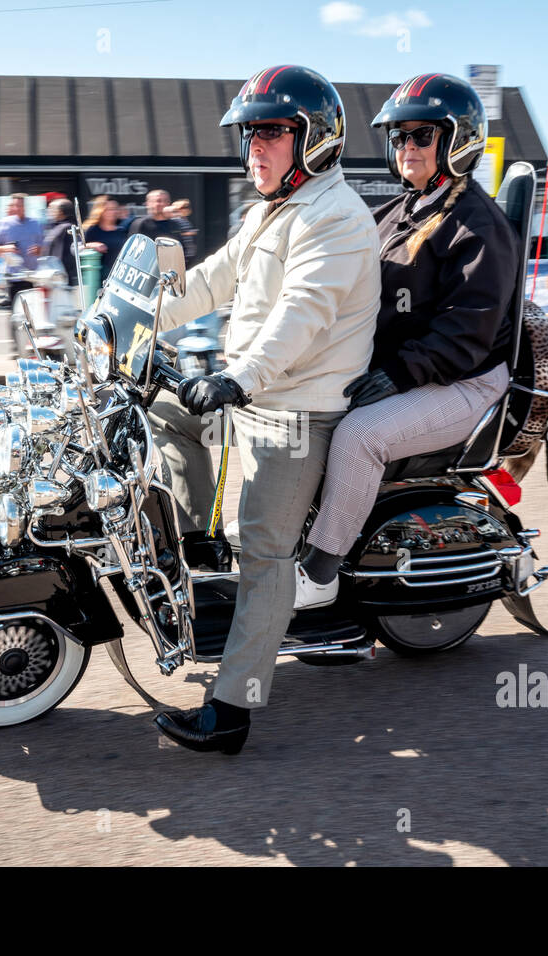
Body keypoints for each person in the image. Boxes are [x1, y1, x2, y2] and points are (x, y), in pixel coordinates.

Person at [149, 65, 380, 755]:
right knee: (163, 413)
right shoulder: (268, 212)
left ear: (317, 139)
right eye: (250, 133)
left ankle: (234, 708)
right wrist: (127, 313)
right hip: (256, 394)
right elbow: (209, 281)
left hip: (297, 411)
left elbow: (302, 315)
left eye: (274, 131)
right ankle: (196, 547)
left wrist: (238, 379)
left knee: (265, 550)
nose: (256, 146)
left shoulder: (337, 217)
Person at [294, 73, 519, 612]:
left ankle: (321, 571)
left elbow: (467, 333)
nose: (407, 147)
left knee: (359, 435)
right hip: (407, 369)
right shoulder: (397, 212)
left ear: (456, 140)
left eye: (420, 135)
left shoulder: (478, 225)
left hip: (463, 383)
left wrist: (397, 375)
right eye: (398, 138)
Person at [0, 192, 44, 325]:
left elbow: (43, 248)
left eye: (21, 205)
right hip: (14, 277)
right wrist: (5, 249)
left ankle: (33, 341)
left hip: (34, 276)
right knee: (18, 316)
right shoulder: (3, 223)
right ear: (11, 206)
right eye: (15, 205)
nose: (18, 208)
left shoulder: (35, 223)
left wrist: (38, 250)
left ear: (25, 206)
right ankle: (16, 342)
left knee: (35, 315)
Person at [40, 198, 78, 282]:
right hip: (56, 277)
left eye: (51, 208)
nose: (48, 211)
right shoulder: (57, 228)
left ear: (60, 212)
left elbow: (60, 256)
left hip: (61, 279)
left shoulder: (66, 228)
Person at [81, 194, 127, 265]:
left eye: (115, 209)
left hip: (119, 273)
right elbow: (76, 248)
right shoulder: (91, 230)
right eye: (109, 209)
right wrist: (91, 245)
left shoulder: (122, 231)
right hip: (98, 273)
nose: (113, 212)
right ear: (100, 211)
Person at [168, 198, 199, 264]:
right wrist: (188, 233)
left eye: (187, 207)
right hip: (181, 255)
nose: (187, 209)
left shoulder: (185, 220)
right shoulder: (175, 220)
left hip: (189, 254)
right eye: (184, 207)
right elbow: (175, 234)